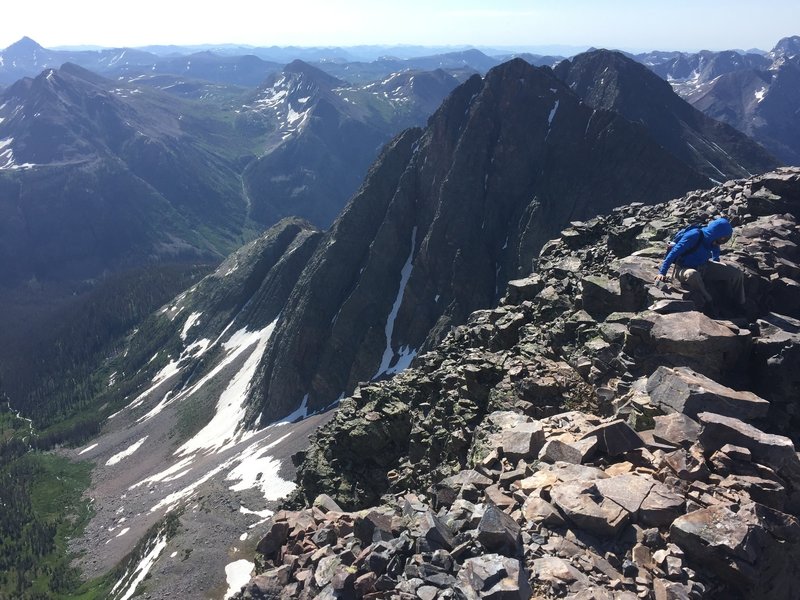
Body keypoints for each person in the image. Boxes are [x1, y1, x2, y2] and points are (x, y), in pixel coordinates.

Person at [654, 217, 745, 313]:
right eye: (724, 237)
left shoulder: (713, 240)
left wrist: (716, 261)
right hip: (683, 269)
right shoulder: (694, 236)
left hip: (704, 266)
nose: (724, 240)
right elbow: (673, 253)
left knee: (736, 273)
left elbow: (715, 250)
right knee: (693, 275)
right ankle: (709, 301)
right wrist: (662, 272)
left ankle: (740, 304)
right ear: (717, 233)